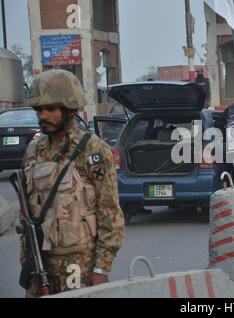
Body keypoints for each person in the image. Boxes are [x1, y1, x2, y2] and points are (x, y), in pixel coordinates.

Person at [20, 69, 125, 297]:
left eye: (50, 109)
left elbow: (110, 214)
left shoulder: (93, 150)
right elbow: (26, 218)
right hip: (40, 267)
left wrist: (101, 268)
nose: (42, 116)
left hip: (80, 267)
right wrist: (27, 264)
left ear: (70, 110)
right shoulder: (31, 153)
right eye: (38, 110)